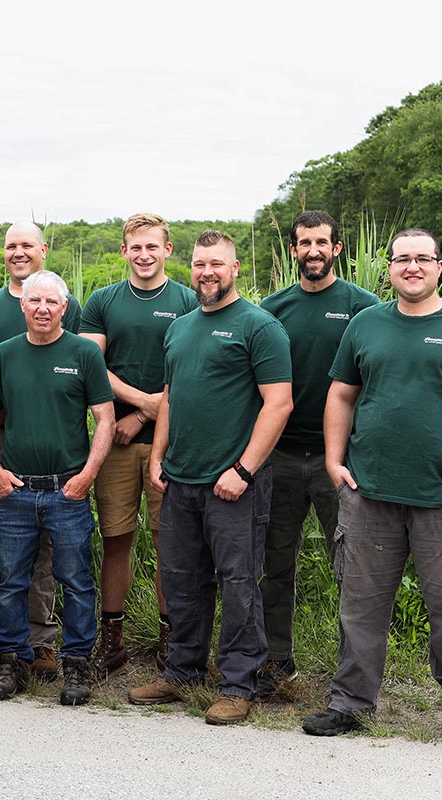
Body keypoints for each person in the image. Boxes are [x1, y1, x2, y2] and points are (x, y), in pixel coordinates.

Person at [301, 228, 442, 751]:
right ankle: (350, 704)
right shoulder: (365, 324)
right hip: (369, 493)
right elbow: (341, 395)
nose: (412, 267)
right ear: (390, 267)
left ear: (440, 266)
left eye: (423, 258)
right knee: (360, 606)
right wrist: (334, 460)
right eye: (402, 259)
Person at [127, 230, 293, 725]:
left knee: (238, 582)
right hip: (181, 480)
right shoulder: (180, 327)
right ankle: (182, 673)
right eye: (200, 264)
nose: (207, 272)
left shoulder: (259, 327)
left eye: (217, 264)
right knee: (182, 581)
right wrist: (158, 456)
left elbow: (278, 402)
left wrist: (244, 470)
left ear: (235, 268)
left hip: (234, 484)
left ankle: (239, 683)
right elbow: (171, 396)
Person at [0, 270, 115, 705]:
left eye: (52, 302)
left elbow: (105, 419)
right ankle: (13, 661)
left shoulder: (83, 354)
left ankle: (76, 665)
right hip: (14, 491)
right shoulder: (4, 354)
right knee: (11, 582)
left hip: (66, 492)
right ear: (23, 306)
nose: (42, 309)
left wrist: (87, 475)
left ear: (65, 308)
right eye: (35, 301)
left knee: (76, 581)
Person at [255, 211, 378, 699]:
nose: (313, 251)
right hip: (280, 456)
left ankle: (354, 674)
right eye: (304, 242)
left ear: (337, 248)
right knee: (274, 564)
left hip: (341, 461)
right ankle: (275, 662)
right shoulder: (271, 309)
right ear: (293, 250)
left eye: (322, 242)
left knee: (352, 567)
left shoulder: (363, 308)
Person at [0, 222, 82, 681]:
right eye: (11, 246)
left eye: (27, 244)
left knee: (44, 549)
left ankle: (42, 641)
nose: (18, 252)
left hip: (49, 449)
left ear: (43, 250)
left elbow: (83, 367)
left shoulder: (63, 301)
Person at [79, 213, 198, 678]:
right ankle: (112, 642)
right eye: (135, 248)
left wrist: (147, 413)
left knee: (172, 546)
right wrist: (137, 405)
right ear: (124, 251)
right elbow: (93, 365)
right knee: (116, 539)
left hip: (172, 447)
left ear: (168, 249)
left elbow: (193, 370)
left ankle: (172, 643)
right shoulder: (104, 301)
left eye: (153, 247)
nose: (144, 255)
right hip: (115, 445)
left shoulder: (188, 300)